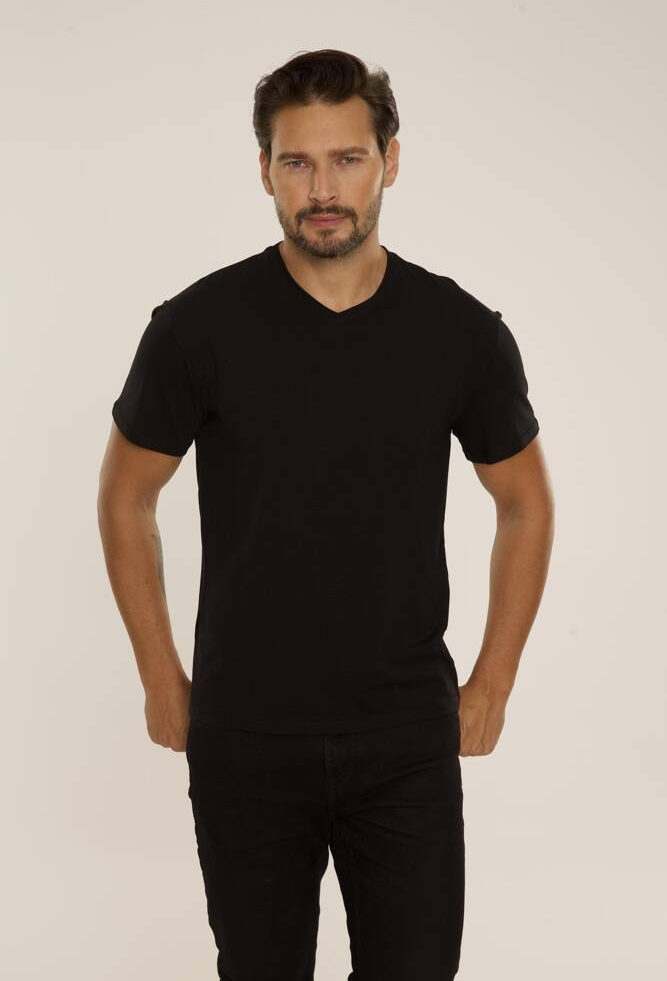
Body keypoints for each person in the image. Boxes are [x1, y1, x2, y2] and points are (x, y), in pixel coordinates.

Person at [98, 48, 555, 981]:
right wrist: (160, 677)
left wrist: (492, 684)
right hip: (245, 734)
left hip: (403, 739)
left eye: (346, 159)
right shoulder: (197, 327)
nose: (321, 190)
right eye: (296, 162)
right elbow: (125, 495)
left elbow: (524, 504)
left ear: (390, 160)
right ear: (264, 170)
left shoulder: (458, 332)